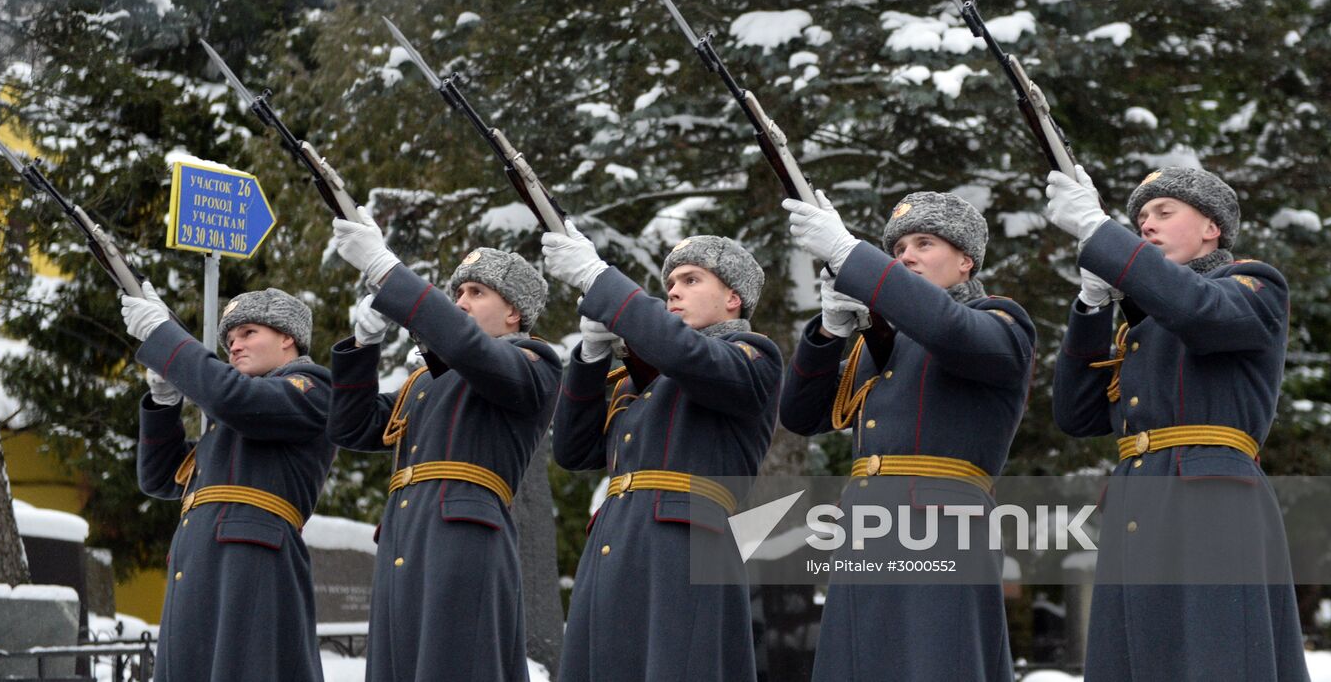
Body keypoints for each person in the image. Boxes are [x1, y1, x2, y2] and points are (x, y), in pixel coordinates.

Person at [1046, 165, 1310, 682]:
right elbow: (1076, 414)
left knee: (1217, 654)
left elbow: (1198, 308)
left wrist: (1101, 234)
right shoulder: (1145, 328)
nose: (1146, 224)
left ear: (1212, 227)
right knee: (1137, 656)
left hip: (1209, 493)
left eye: (1164, 212)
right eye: (1140, 217)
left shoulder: (1252, 284)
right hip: (1139, 498)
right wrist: (1092, 305)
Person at [781, 190, 1035, 681]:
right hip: (865, 528)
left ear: (966, 261)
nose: (907, 257)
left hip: (941, 528)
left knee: (937, 664)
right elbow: (800, 414)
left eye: (924, 243)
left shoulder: (1000, 321)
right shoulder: (883, 345)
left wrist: (851, 255)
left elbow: (947, 328)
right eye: (897, 251)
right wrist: (830, 333)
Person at [542, 224, 783, 682]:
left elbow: (688, 355)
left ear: (733, 298)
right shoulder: (643, 381)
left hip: (684, 550)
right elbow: (573, 450)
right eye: (670, 283)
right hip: (616, 546)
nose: (673, 291)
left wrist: (600, 279)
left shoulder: (751, 354)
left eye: (692, 280)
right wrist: (591, 356)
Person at [330, 212, 561, 682]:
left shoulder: (533, 362)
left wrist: (384, 268)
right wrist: (364, 344)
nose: (461, 302)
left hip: (463, 542)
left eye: (477, 293)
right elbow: (351, 427)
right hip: (406, 538)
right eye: (458, 293)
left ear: (514, 312)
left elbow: (471, 349)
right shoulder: (425, 383)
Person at [124, 284, 335, 682]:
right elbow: (159, 476)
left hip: (250, 569)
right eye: (230, 340)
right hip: (203, 567)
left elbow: (233, 399)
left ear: (287, 336)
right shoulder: (233, 419)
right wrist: (164, 402)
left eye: (248, 333)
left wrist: (163, 337)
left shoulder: (311, 388)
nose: (234, 346)